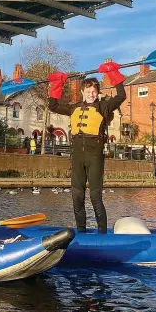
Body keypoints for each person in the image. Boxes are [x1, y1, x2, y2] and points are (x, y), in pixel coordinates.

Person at [47, 61, 126, 234]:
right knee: (77, 196)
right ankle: (81, 233)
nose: (91, 94)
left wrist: (113, 73)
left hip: (94, 156)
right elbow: (52, 105)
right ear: (82, 92)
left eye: (94, 91)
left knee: (95, 196)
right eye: (88, 91)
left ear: (98, 93)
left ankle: (102, 233)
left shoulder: (103, 107)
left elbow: (121, 96)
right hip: (77, 156)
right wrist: (58, 83)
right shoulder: (74, 108)